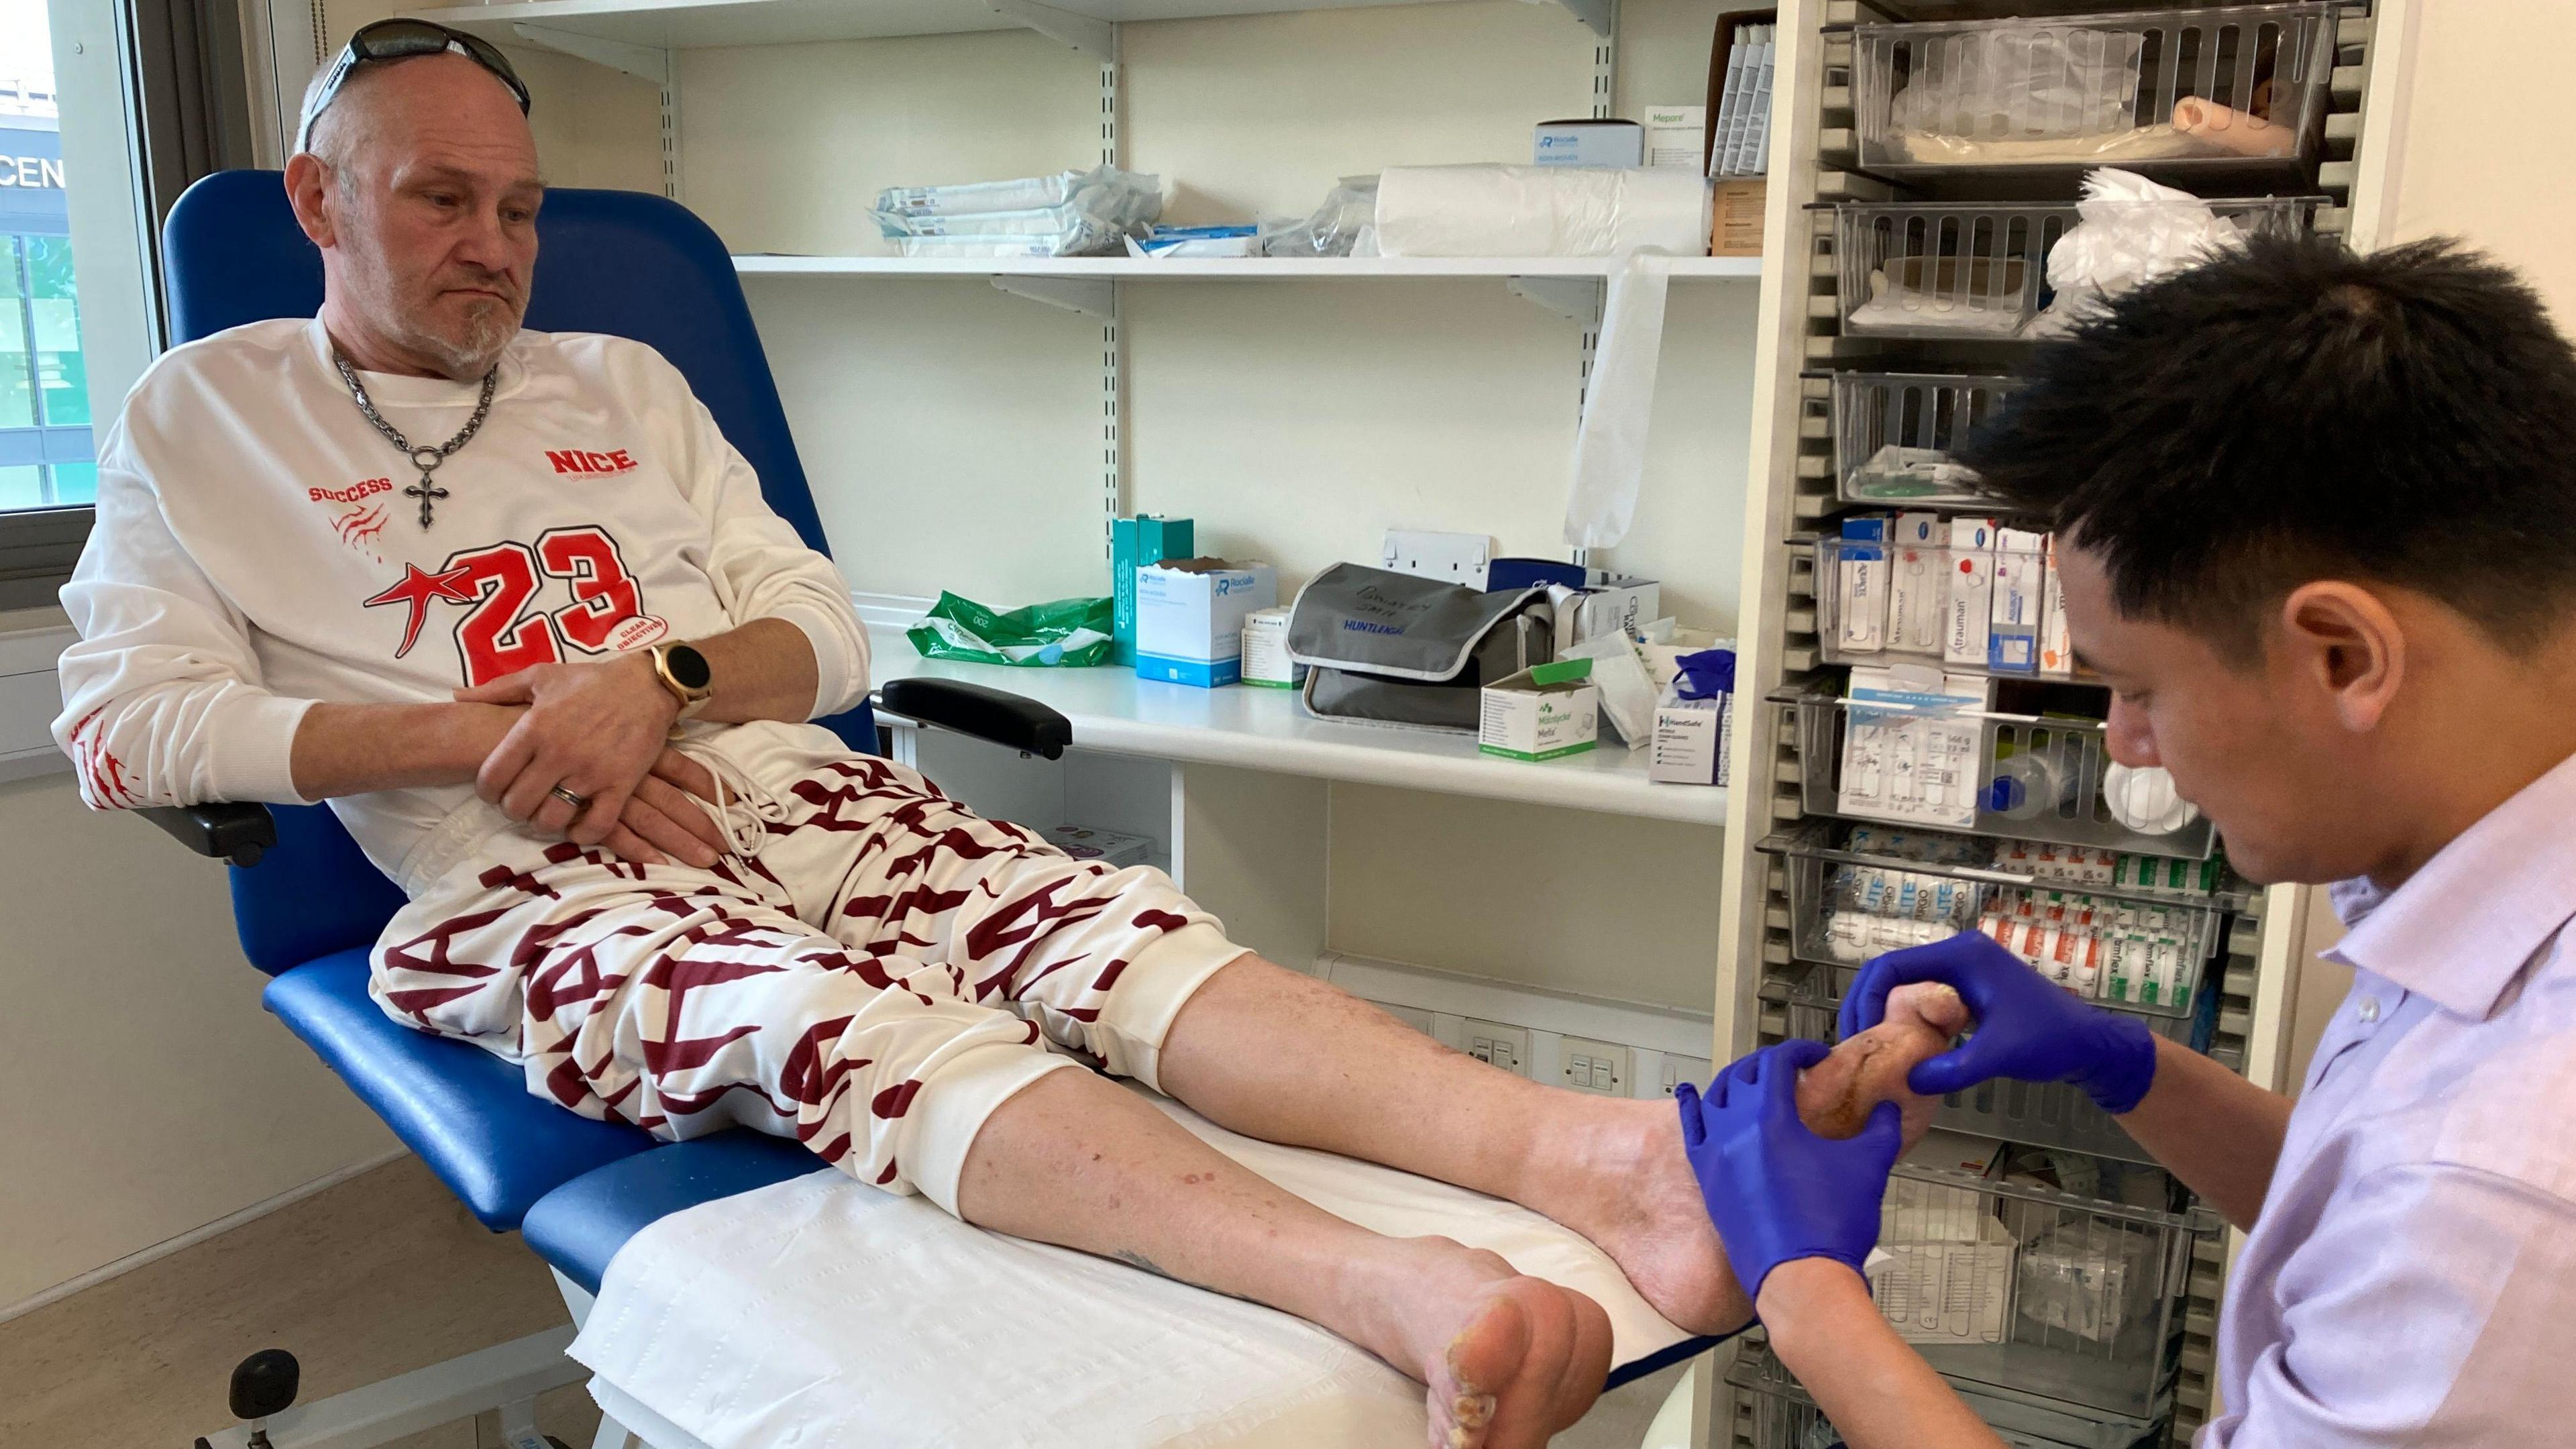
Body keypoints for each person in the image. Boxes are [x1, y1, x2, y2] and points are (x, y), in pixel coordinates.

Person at [50, 23, 1774, 1446]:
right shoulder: (200, 415)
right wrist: (484, 735)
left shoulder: (622, 386)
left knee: (1107, 931)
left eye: (518, 206)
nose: (493, 246)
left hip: (788, 787)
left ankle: (1601, 1161)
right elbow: (129, 729)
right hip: (516, 874)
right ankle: (1377, 1286)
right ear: (316, 199)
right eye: (441, 200)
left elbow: (824, 631)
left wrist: (648, 692)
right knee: (844, 1025)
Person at [1680, 233, 2576, 1446]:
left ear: (2344, 658)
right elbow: (2355, 1203)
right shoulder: (2495, 878)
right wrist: (2124, 1065)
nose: (2129, 746)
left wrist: (1805, 1292)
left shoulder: (2505, 1172)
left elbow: (2439, 1203)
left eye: (2139, 688)